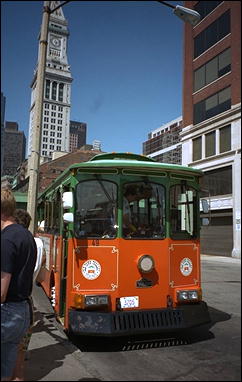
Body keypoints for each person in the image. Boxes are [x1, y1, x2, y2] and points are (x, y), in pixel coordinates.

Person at [1, 189, 37, 381]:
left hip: (6, 312)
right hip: (21, 311)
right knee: (7, 369)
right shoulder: (26, 236)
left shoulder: (5, 240)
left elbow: (1, 292)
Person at [11, 209, 44, 382]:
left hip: (12, 301)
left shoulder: (12, 242)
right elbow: (42, 277)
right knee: (21, 352)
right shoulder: (37, 243)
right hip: (28, 302)